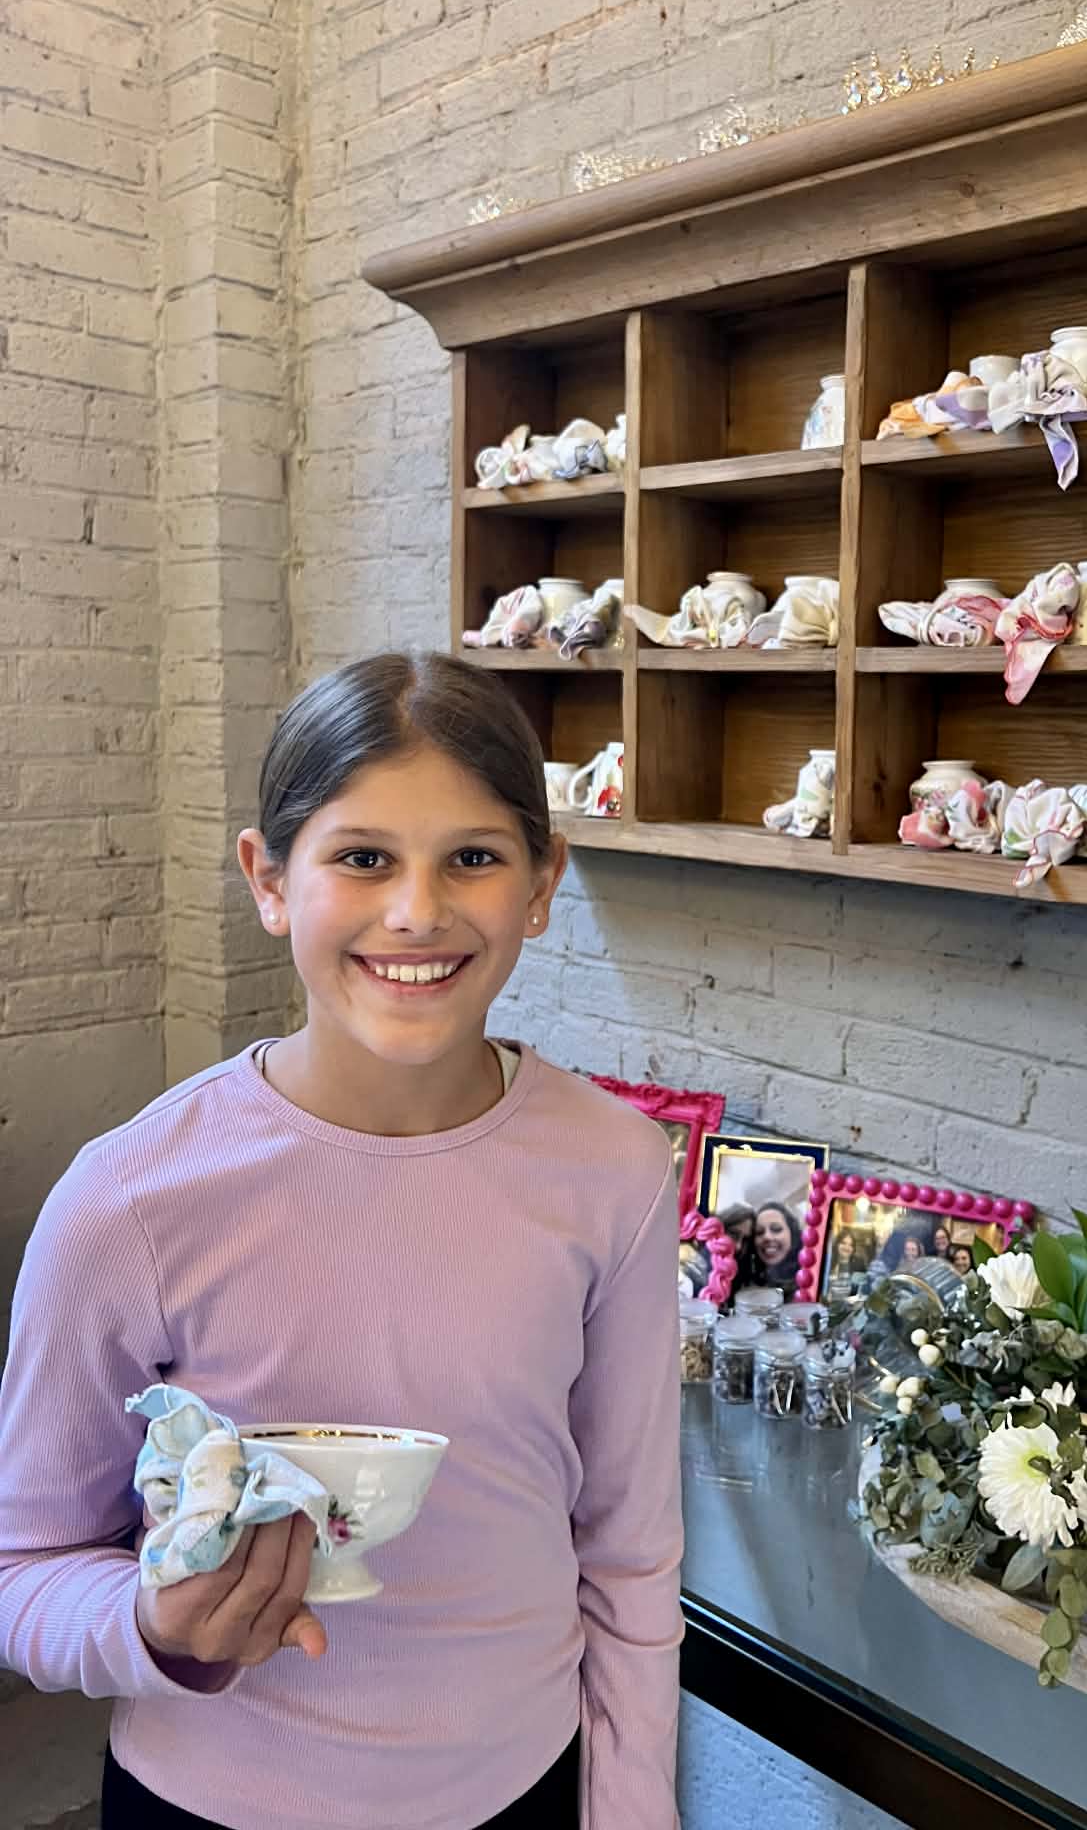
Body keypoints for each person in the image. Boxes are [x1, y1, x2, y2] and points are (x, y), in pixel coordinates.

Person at [0, 653, 683, 1830]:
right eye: (363, 856)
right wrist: (149, 1623)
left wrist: (630, 1804)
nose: (416, 909)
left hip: (521, 1785)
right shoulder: (129, 1200)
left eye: (473, 856)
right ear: (269, 879)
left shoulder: (618, 1168)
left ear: (541, 884)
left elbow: (628, 1549)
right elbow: (22, 1565)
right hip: (209, 1802)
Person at [751, 1201, 802, 1289]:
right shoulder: (748, 1283)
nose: (767, 1237)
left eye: (776, 1229)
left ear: (793, 1234)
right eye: (759, 1232)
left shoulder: (811, 1278)